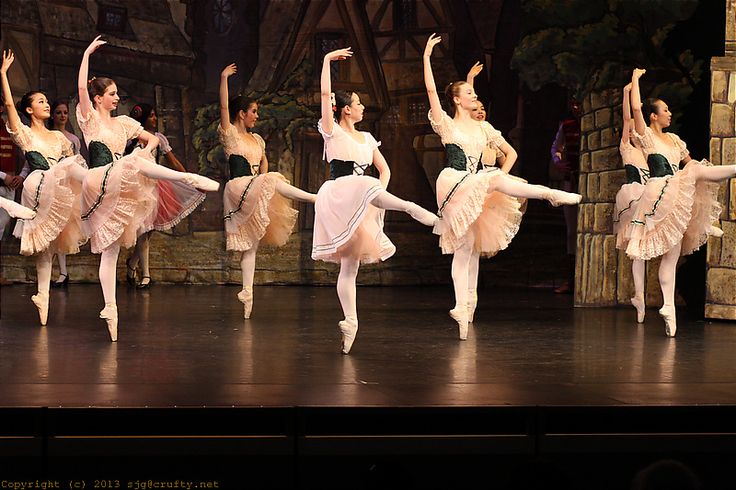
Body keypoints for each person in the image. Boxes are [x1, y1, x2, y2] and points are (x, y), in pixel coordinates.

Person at [423, 33, 581, 340]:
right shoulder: (447, 125)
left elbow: (507, 151)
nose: (474, 96)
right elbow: (431, 90)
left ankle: (465, 312)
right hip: (455, 184)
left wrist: (470, 82)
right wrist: (427, 56)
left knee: (470, 249)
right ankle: (550, 194)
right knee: (465, 242)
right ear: (456, 100)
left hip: (476, 183)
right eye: (469, 93)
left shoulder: (483, 127)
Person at [76, 36, 219, 341]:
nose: (117, 98)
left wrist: (144, 150)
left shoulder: (124, 123)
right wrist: (87, 54)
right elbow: (81, 90)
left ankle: (110, 308)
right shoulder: (89, 119)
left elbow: (152, 139)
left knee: (112, 249)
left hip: (119, 179)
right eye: (112, 94)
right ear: (98, 98)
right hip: (98, 179)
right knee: (131, 167)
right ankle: (187, 178)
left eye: (117, 93)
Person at [316, 47, 439, 354]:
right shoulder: (331, 131)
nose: (362, 107)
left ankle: (351, 323)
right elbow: (325, 95)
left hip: (363, 196)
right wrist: (327, 61)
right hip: (340, 194)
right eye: (358, 103)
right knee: (349, 261)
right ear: (346, 110)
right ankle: (414, 210)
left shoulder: (368, 139)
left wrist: (376, 198)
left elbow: (384, 170)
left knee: (351, 265)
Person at [628, 68, 733, 336]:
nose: (670, 113)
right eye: (665, 110)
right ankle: (730, 177)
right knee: (695, 173)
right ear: (654, 116)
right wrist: (636, 80)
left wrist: (703, 171)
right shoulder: (647, 136)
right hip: (659, 191)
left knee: (671, 256)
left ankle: (668, 308)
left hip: (675, 191)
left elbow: (690, 164)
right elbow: (636, 109)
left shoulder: (674, 140)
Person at [219, 63, 316, 319]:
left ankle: (247, 292)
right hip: (237, 187)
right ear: (242, 114)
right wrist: (224, 79)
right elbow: (224, 108)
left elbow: (264, 165)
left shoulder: (257, 140)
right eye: (253, 111)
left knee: (250, 245)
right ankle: (313, 198)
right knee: (273, 180)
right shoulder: (230, 134)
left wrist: (262, 188)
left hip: (252, 187)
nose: (256, 116)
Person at [1, 49, 87, 325]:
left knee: (47, 247)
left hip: (56, 188)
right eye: (41, 102)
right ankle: (98, 181)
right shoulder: (25, 134)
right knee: (66, 169)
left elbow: (70, 164)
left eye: (47, 101)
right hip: (37, 183)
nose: (47, 104)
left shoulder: (59, 138)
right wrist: (3, 74)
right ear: (30, 110)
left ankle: (43, 297)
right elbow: (10, 106)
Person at [125, 103, 205, 289]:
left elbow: (173, 161)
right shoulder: (131, 138)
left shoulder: (158, 138)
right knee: (142, 229)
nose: (155, 118)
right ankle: (146, 275)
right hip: (137, 187)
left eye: (155, 115)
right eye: (151, 115)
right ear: (143, 118)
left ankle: (132, 263)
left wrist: (189, 178)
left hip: (155, 186)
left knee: (148, 230)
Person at [612, 82, 649, 323]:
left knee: (641, 250)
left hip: (651, 195)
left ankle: (639, 296)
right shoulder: (626, 147)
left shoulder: (649, 152)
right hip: (635, 197)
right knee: (637, 249)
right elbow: (628, 118)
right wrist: (627, 92)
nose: (635, 132)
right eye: (632, 130)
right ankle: (640, 296)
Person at [47, 99, 83, 288]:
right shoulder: (47, 136)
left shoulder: (73, 139)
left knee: (63, 227)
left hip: (67, 185)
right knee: (51, 227)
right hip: (50, 183)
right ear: (52, 115)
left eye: (65, 112)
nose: (62, 116)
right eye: (58, 112)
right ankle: (55, 271)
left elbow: (77, 162)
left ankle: (63, 272)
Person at [549, 98, 581, 294]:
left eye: (579, 104)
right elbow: (556, 148)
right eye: (574, 104)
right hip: (572, 180)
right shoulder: (567, 126)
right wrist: (559, 162)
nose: (576, 108)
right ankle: (571, 280)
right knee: (571, 232)